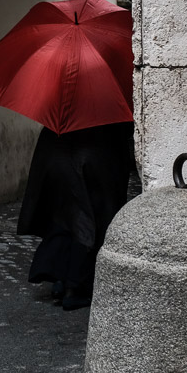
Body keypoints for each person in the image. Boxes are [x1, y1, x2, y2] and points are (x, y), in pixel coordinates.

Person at [17, 121, 135, 311]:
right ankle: (74, 287)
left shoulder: (61, 99)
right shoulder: (106, 110)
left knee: (64, 217)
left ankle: (60, 279)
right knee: (87, 221)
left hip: (57, 157)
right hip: (90, 160)